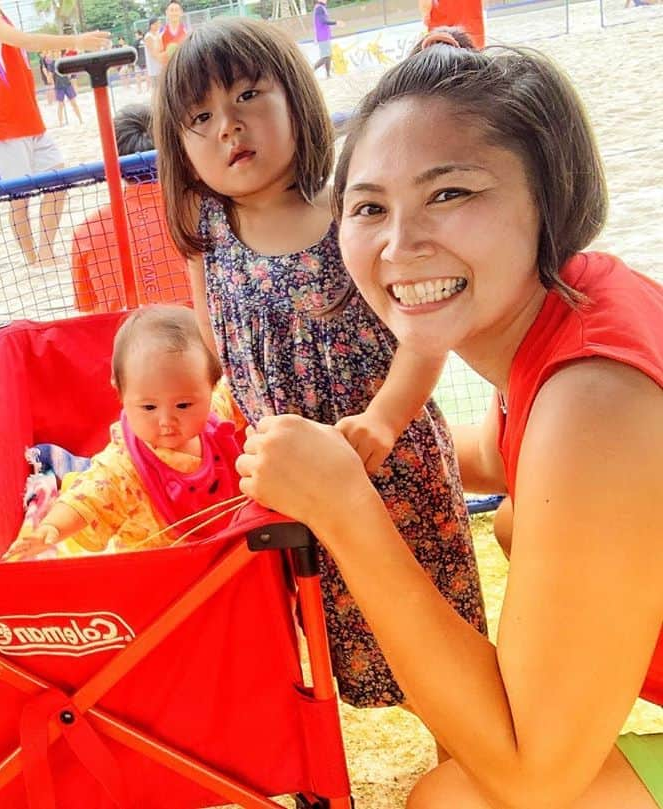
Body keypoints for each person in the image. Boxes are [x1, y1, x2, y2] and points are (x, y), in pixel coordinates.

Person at [239, 39, 663, 807]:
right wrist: (373, 439)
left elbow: (533, 779)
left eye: (450, 194)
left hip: (538, 770)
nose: (401, 245)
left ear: (551, 197)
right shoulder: (581, 305)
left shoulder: (597, 396)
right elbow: (506, 457)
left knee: (452, 800)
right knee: (511, 523)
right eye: (368, 206)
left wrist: (343, 506)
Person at [154, 17, 488, 715]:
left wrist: (385, 418)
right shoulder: (208, 233)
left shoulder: (353, 208)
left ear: (296, 100)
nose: (228, 127)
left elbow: (423, 329)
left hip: (391, 461)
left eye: (248, 96)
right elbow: (217, 346)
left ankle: (467, 756)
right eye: (202, 117)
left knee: (433, 639)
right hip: (294, 482)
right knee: (334, 632)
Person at [4, 305, 244, 560]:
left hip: (226, 559)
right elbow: (86, 499)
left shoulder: (216, 415)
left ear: (211, 385)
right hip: (160, 572)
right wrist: (52, 527)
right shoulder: (124, 466)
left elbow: (244, 395)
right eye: (149, 407)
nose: (166, 421)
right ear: (120, 392)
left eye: (184, 405)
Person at [0, 0, 109, 266]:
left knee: (58, 181)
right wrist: (75, 40)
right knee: (20, 200)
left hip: (30, 120)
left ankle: (45, 251)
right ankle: (33, 259)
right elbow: (27, 41)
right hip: (5, 127)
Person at [70, 103, 189, 312]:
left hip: (122, 338)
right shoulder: (199, 211)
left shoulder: (87, 231)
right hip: (197, 335)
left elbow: (90, 313)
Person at [419, 0, 485, 47]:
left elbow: (426, 4)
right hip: (470, 18)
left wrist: (425, 13)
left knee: (443, 52)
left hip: (444, 19)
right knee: (474, 49)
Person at [43, 49, 83, 126]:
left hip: (67, 85)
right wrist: (49, 78)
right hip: (59, 87)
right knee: (61, 105)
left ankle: (80, 119)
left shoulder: (64, 61)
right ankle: (61, 123)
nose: (57, 53)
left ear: (60, 53)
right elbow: (49, 78)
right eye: (55, 52)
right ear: (53, 53)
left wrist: (69, 75)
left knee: (74, 103)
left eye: (58, 51)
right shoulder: (52, 64)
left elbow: (70, 73)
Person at [312, 0, 344, 78]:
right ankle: (310, 71)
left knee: (328, 55)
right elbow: (323, 21)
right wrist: (336, 22)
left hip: (324, 35)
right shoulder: (319, 8)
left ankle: (328, 74)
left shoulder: (321, 7)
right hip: (322, 36)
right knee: (325, 56)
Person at [144, 17, 166, 87]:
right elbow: (153, 53)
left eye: (159, 24)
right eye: (157, 24)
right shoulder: (149, 36)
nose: (159, 25)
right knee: (157, 89)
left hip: (160, 67)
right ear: (151, 25)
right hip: (154, 68)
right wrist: (162, 62)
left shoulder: (157, 35)